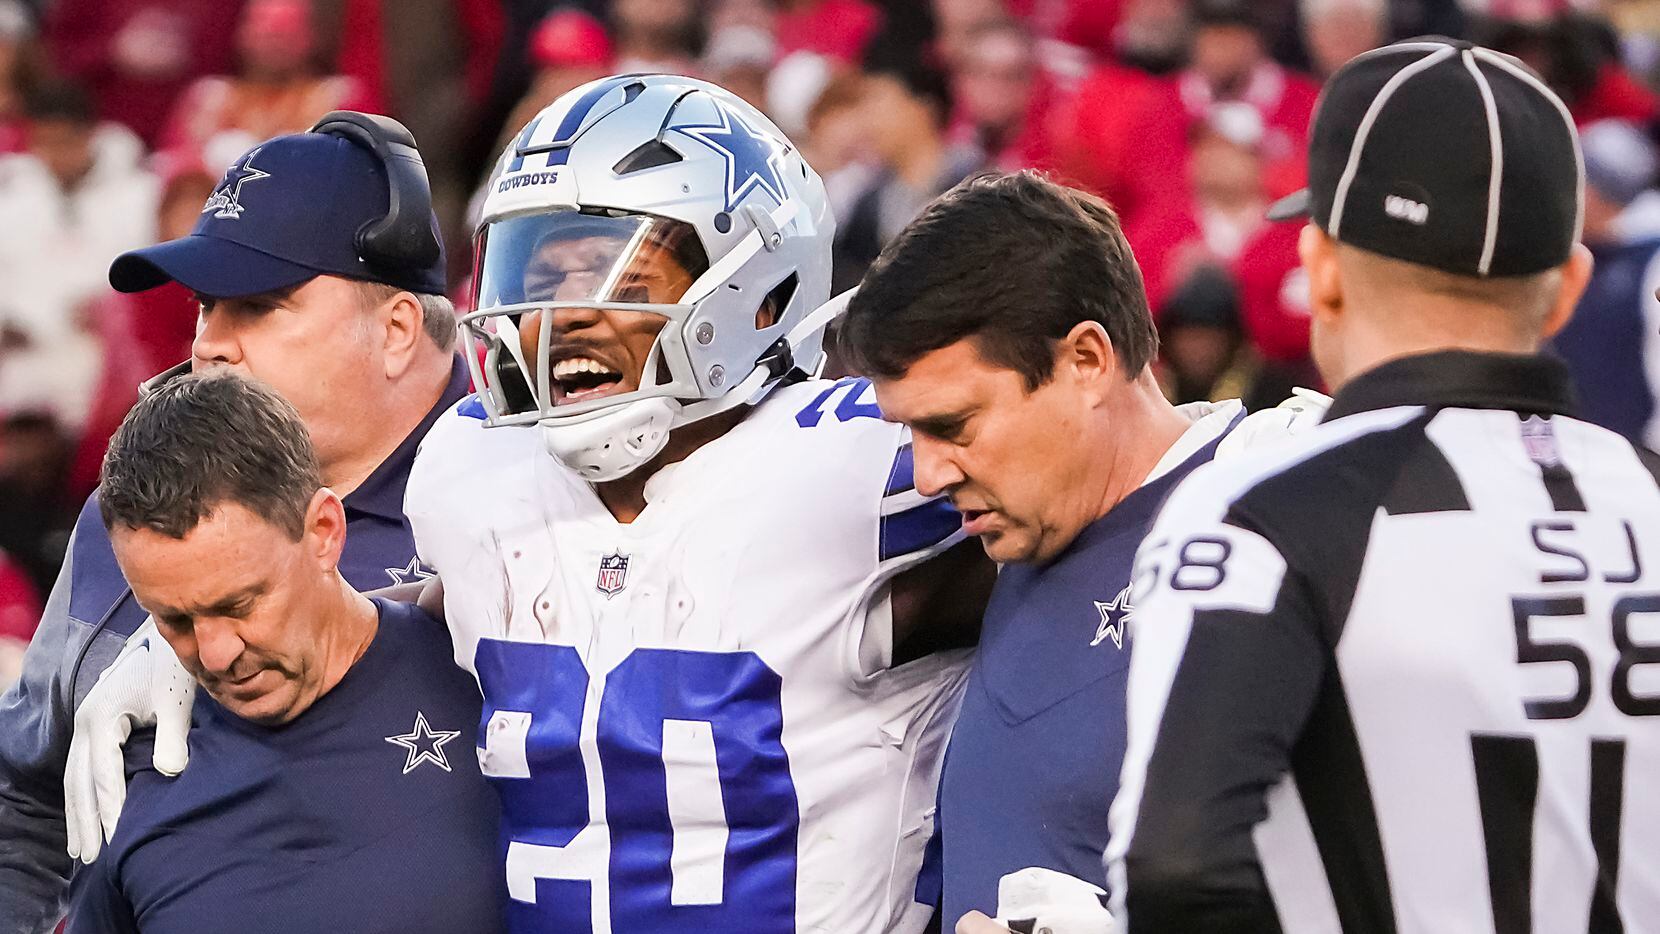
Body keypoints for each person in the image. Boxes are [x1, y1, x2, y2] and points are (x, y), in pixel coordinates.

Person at [69, 75, 995, 934]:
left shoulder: (861, 464)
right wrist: (209, 625)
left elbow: (1089, 528)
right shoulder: (475, 469)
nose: (564, 314)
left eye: (619, 274)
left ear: (759, 276)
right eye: (540, 276)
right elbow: (441, 610)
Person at [1107, 38, 1659, 931]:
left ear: (1321, 273)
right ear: (1567, 289)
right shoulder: (1648, 495)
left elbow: (1175, 868)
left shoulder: (1259, 510)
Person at [0, 112, 464, 934]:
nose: (210, 345)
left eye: (256, 306)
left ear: (396, 330)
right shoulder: (139, 504)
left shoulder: (527, 488)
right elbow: (24, 801)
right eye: (206, 306)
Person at [837, 170, 1323, 934]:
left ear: (1087, 362)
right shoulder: (1005, 543)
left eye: (954, 425)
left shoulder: (1286, 515)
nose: (929, 474)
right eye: (911, 433)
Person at [66, 369, 505, 933]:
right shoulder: (122, 778)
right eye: (172, 619)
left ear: (324, 530)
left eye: (240, 604)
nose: (216, 655)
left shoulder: (486, 670)